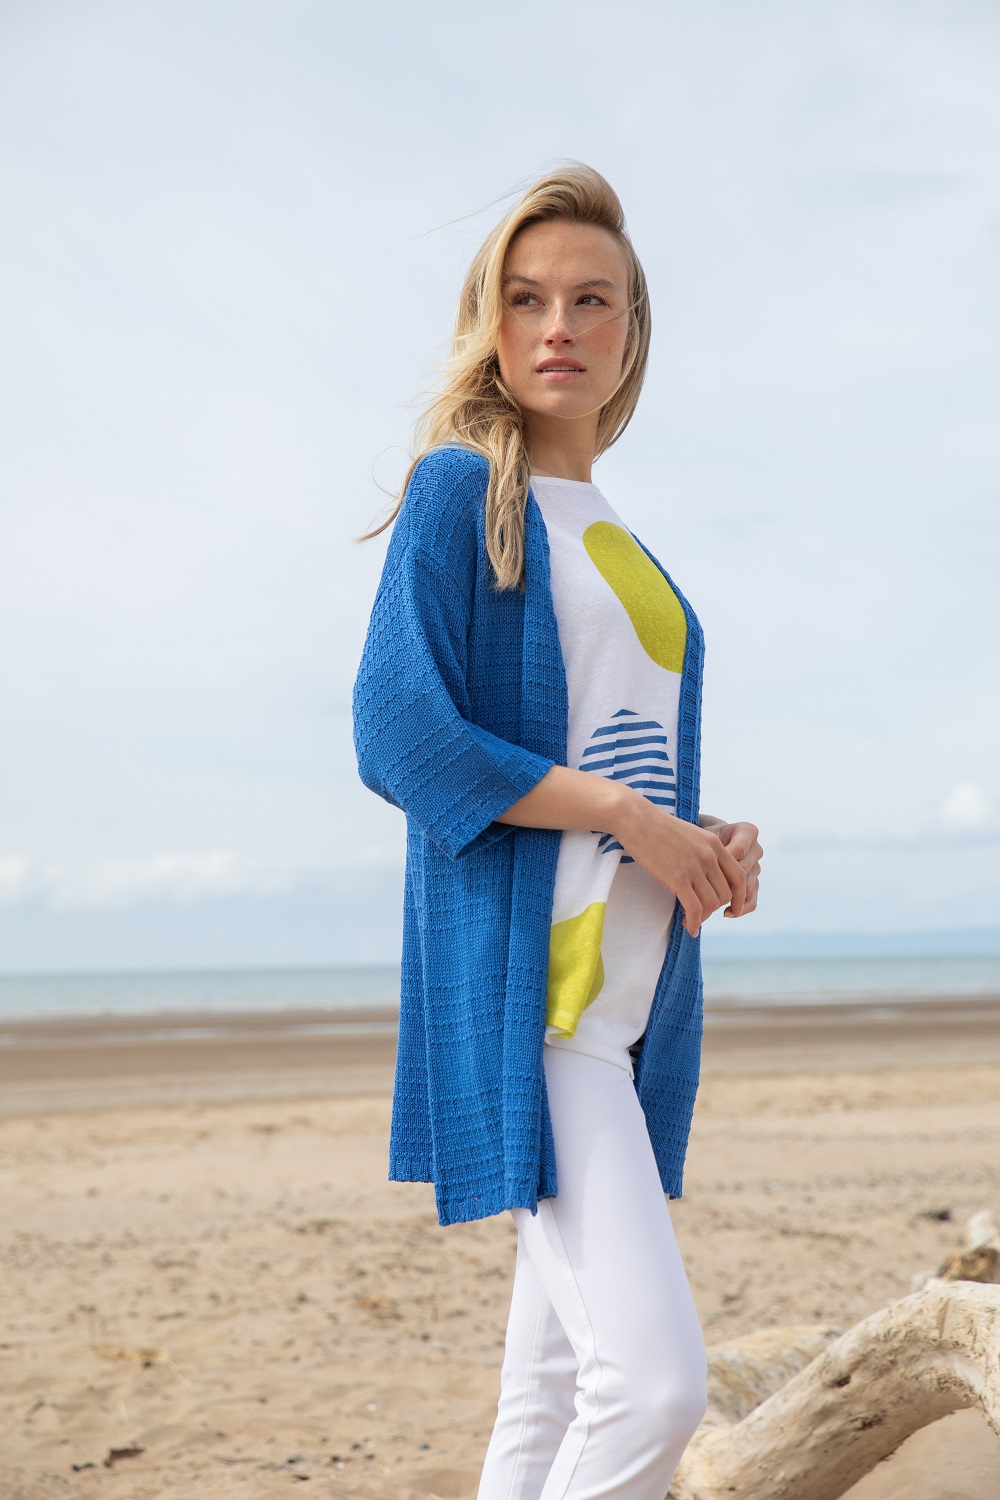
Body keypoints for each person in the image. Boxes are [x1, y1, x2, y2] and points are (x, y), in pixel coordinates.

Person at [352, 163, 763, 1500]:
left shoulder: (625, 544)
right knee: (654, 1390)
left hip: (622, 1014)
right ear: (490, 320)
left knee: (543, 1407)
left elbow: (609, 755)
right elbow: (399, 734)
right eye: (527, 298)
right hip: (538, 1007)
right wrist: (630, 816)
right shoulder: (462, 493)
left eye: (593, 300)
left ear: (632, 329)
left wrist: (700, 837)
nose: (559, 327)